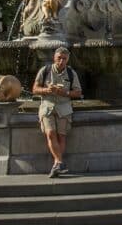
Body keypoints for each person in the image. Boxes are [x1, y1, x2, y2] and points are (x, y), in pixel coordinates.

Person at [31, 47, 83, 178]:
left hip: (64, 108)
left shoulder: (71, 73)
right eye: (59, 58)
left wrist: (64, 92)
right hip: (47, 107)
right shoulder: (45, 70)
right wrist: (46, 91)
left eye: (64, 59)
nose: (61, 61)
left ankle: (56, 165)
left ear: (67, 60)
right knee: (50, 133)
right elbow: (35, 89)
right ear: (54, 58)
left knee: (61, 136)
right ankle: (60, 162)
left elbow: (78, 92)